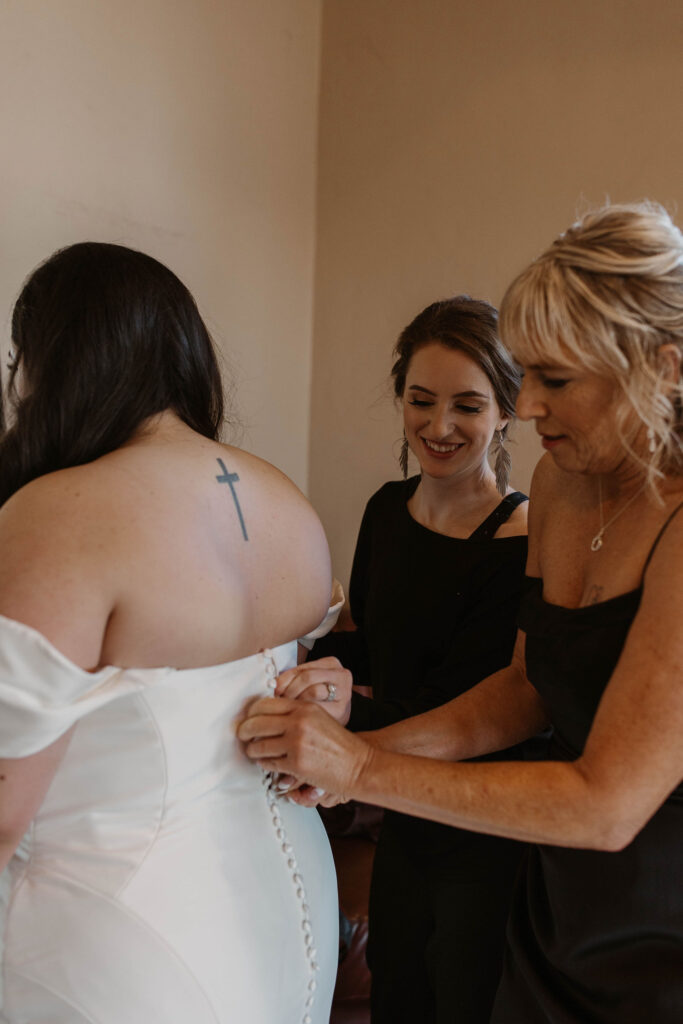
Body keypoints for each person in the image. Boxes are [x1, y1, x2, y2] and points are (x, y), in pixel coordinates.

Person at [240, 201, 683, 1023]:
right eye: (526, 376)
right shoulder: (562, 484)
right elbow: (523, 691)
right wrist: (347, 748)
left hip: (659, 916)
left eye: (556, 380)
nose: (527, 408)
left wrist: (365, 772)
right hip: (559, 899)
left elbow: (607, 804)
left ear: (660, 369)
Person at [0, 242, 347, 1024]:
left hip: (115, 938)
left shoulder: (58, 513)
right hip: (286, 911)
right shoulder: (283, 499)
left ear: (53, 362)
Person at [274, 296, 531, 1024]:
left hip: (477, 825)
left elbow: (469, 711)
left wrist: (344, 710)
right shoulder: (386, 508)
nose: (438, 426)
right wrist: (301, 663)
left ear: (505, 411)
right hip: (400, 813)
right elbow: (370, 644)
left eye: (467, 406)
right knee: (396, 993)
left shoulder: (520, 538)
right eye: (420, 401)